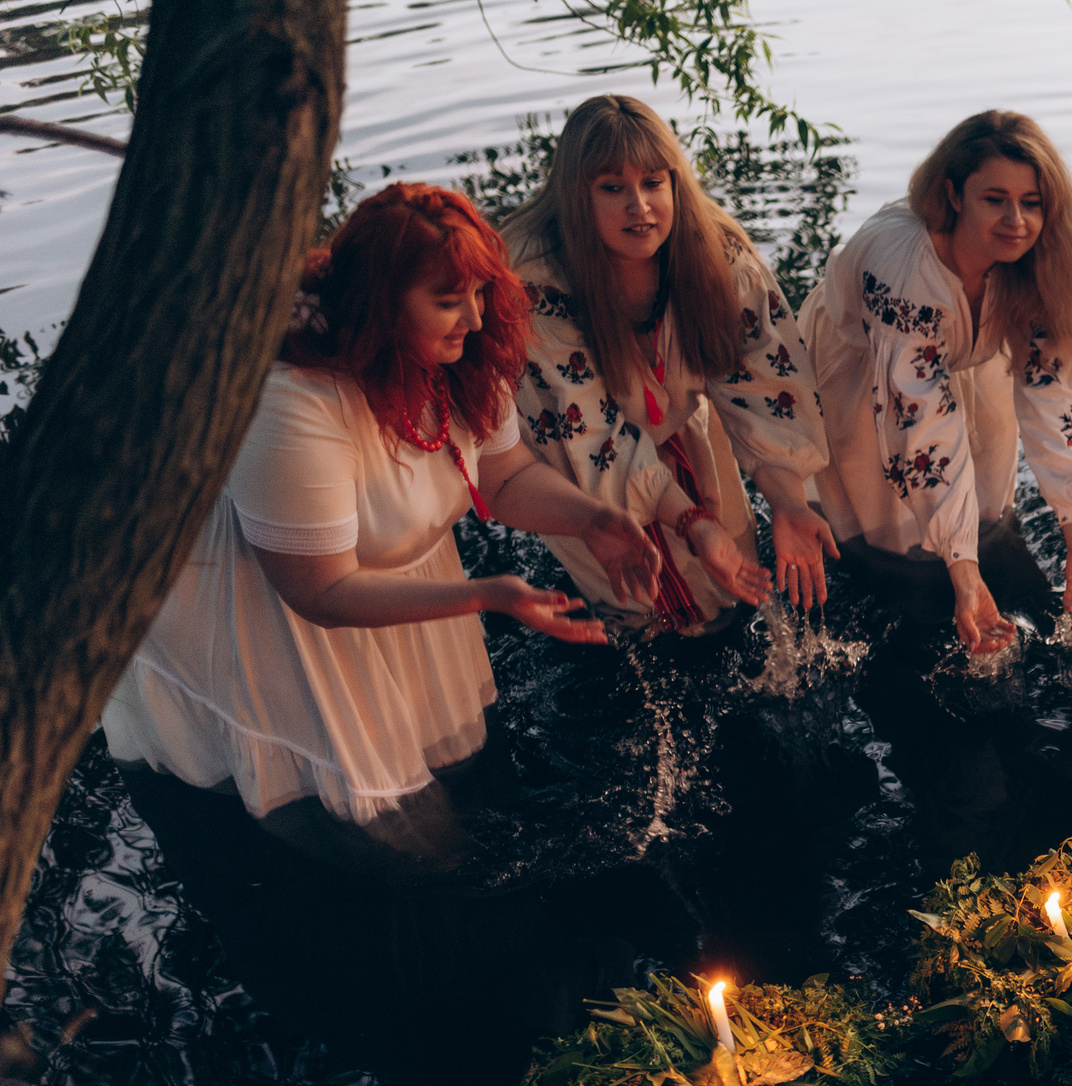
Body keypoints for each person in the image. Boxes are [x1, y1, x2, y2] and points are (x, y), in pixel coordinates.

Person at [101, 183, 658, 873]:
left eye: (480, 293)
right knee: (405, 849)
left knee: (465, 789)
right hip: (285, 621)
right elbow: (320, 590)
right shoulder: (294, 402)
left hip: (391, 579)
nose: (474, 319)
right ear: (381, 302)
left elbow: (504, 475)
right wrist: (488, 595)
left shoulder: (461, 363)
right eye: (448, 301)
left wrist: (596, 516)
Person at [501, 94, 836, 635]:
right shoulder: (534, 281)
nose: (640, 207)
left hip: (682, 429)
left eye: (654, 183)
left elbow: (763, 381)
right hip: (579, 462)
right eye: (613, 188)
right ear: (576, 196)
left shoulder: (716, 251)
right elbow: (584, 426)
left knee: (738, 600)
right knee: (642, 621)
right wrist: (692, 521)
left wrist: (788, 502)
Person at [803, 110, 1072, 656]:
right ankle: (913, 611)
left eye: (1032, 203)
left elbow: (1056, 394)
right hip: (868, 371)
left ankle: (975, 566)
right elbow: (922, 424)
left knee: (987, 516)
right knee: (900, 545)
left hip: (964, 358)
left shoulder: (1036, 260)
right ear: (954, 195)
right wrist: (961, 571)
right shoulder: (903, 267)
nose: (1016, 220)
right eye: (995, 199)